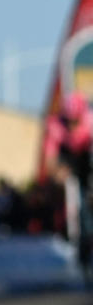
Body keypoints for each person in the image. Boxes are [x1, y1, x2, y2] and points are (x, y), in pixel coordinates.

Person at [42, 92, 93, 265]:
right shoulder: (56, 125)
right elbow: (50, 159)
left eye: (75, 120)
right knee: (61, 192)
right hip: (67, 160)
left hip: (87, 156)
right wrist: (57, 173)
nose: (72, 125)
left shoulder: (90, 121)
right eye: (69, 120)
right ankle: (68, 231)